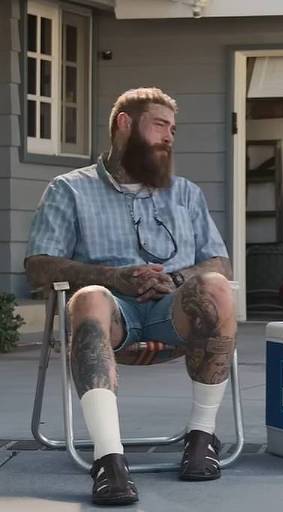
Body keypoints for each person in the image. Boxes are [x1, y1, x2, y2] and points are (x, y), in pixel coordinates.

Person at [25, 87, 236, 505]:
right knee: (89, 297)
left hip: (170, 312)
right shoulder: (70, 189)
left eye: (173, 129)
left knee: (214, 287)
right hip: (110, 315)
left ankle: (201, 437)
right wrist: (111, 277)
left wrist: (177, 279)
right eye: (160, 125)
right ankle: (109, 461)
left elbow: (219, 262)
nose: (170, 137)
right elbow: (38, 266)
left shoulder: (186, 193)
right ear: (125, 124)